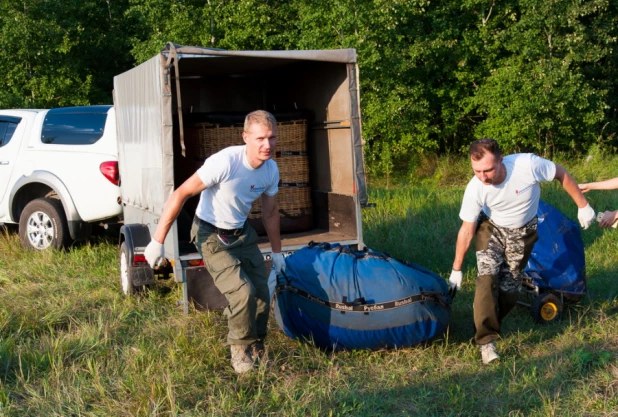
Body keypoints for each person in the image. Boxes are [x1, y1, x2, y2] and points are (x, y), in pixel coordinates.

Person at [143, 110, 286, 374]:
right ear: (245, 137)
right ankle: (240, 350)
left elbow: (270, 212)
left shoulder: (271, 169)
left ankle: (257, 345)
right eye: (260, 138)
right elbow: (181, 193)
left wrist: (277, 253)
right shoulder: (225, 163)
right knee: (243, 293)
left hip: (241, 233)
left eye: (272, 138)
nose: (267, 145)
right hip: (211, 234)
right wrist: (157, 240)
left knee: (263, 295)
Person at [448, 138, 596, 364]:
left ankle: (489, 320)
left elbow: (561, 174)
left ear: (501, 159)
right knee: (487, 279)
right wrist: (456, 269)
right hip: (492, 228)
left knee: (510, 288)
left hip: (523, 232)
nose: (483, 176)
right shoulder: (475, 188)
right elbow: (467, 230)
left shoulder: (527, 165)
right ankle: (486, 341)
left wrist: (583, 205)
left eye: (488, 169)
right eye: (477, 171)